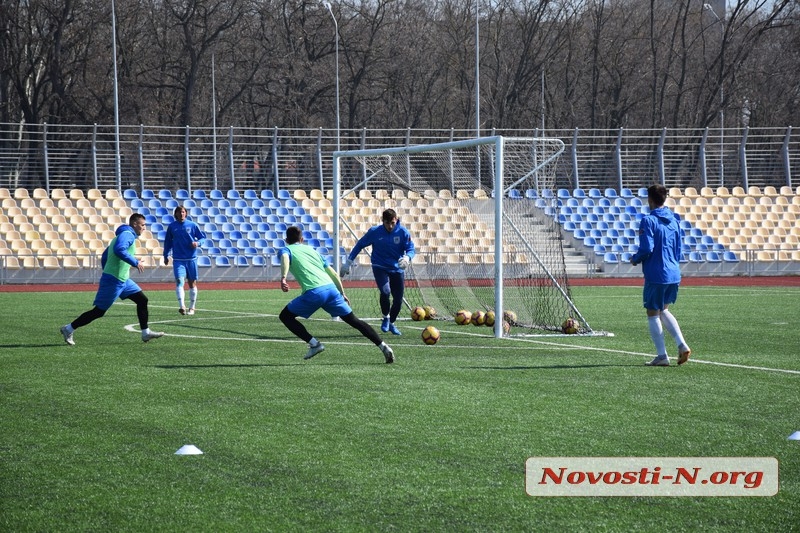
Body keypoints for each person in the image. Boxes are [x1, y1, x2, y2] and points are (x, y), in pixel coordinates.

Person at [278, 226, 395, 363]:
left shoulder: (286, 250)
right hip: (331, 290)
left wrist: (283, 277)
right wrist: (342, 293)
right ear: (302, 239)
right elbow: (333, 273)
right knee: (354, 321)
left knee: (285, 316)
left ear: (286, 240)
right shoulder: (313, 251)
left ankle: (314, 344)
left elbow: (285, 257)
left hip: (315, 291)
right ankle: (384, 347)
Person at [60, 213, 164, 345]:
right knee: (98, 312)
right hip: (114, 280)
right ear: (135, 224)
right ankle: (68, 328)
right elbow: (119, 249)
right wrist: (135, 263)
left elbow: (105, 255)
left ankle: (145, 333)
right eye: (143, 225)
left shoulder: (124, 235)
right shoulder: (128, 234)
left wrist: (111, 269)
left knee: (142, 300)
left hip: (122, 279)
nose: (144, 228)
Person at [630, 184, 691, 366]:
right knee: (663, 309)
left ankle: (662, 356)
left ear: (650, 199)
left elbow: (647, 247)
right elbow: (678, 247)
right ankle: (681, 344)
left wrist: (636, 259)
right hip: (673, 272)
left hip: (657, 273)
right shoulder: (674, 220)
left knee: (652, 313)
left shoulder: (648, 220)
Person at [340, 208, 415, 335]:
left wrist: (408, 257)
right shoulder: (375, 232)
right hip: (379, 266)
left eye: (393, 223)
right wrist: (348, 262)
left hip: (397, 268)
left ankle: (392, 323)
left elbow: (411, 249)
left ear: (396, 220)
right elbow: (360, 245)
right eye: (387, 223)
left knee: (398, 299)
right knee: (385, 291)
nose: (390, 226)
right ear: (383, 221)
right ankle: (385, 317)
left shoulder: (403, 232)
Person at [163, 205, 206, 315]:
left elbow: (202, 238)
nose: (181, 214)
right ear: (176, 214)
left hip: (191, 259)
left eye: (183, 212)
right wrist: (165, 255)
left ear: (186, 213)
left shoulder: (192, 225)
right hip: (178, 259)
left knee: (192, 284)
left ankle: (192, 308)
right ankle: (182, 305)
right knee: (179, 282)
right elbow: (168, 242)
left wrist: (198, 243)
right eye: (179, 212)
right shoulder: (172, 227)